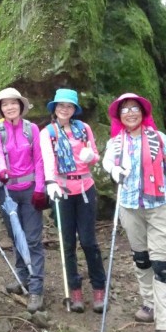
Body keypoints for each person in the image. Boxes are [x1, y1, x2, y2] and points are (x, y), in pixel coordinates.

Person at [102, 92, 166, 332]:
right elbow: (107, 161)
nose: (130, 112)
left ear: (143, 112)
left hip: (159, 206)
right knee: (141, 258)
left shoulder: (159, 138)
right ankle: (149, 303)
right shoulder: (115, 143)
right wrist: (112, 169)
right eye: (125, 109)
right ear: (119, 115)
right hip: (130, 207)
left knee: (162, 263)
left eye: (134, 108)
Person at [40, 89, 106, 313]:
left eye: (69, 106)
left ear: (74, 109)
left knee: (88, 241)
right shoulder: (48, 132)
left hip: (85, 188)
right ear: (54, 108)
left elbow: (95, 155)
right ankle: (74, 289)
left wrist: (91, 157)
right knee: (67, 242)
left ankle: (99, 288)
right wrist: (51, 183)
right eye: (60, 105)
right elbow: (48, 159)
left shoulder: (84, 129)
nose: (64, 109)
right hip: (62, 190)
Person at [0, 88, 46, 313]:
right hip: (7, 191)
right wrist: (2, 171)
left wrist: (40, 189)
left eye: (14, 103)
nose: (10, 107)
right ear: (1, 109)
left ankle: (36, 288)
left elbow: (39, 160)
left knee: (32, 238)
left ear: (21, 106)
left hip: (31, 189)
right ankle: (22, 276)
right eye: (5, 104)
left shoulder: (32, 130)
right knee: (14, 234)